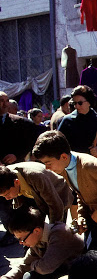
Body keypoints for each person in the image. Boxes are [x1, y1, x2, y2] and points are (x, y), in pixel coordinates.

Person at [32, 131, 97, 251]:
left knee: (92, 252)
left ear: (63, 157)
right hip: (92, 212)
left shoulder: (90, 165)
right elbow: (81, 192)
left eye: (48, 163)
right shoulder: (63, 167)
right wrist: (81, 216)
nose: (47, 168)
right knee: (86, 251)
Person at [0, 207, 84, 279]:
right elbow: (24, 265)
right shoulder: (37, 240)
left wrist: (32, 265)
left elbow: (45, 267)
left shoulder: (59, 233)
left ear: (36, 231)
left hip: (77, 277)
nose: (21, 243)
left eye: (22, 239)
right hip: (59, 271)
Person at [0, 90, 40, 246]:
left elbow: (30, 142)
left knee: (22, 202)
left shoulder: (21, 123)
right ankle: (11, 232)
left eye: (6, 100)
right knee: (4, 204)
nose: (5, 104)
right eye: (1, 101)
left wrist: (16, 155)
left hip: (17, 171)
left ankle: (25, 230)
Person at [0, 161, 73, 223]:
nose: (7, 198)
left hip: (57, 194)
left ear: (16, 182)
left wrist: (54, 229)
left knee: (57, 227)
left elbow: (56, 206)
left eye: (7, 194)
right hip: (33, 194)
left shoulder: (35, 177)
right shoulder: (6, 174)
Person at [58, 85, 97, 159]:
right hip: (73, 163)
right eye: (74, 103)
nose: (77, 106)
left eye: (80, 103)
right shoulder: (67, 121)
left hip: (93, 163)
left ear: (89, 102)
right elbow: (58, 144)